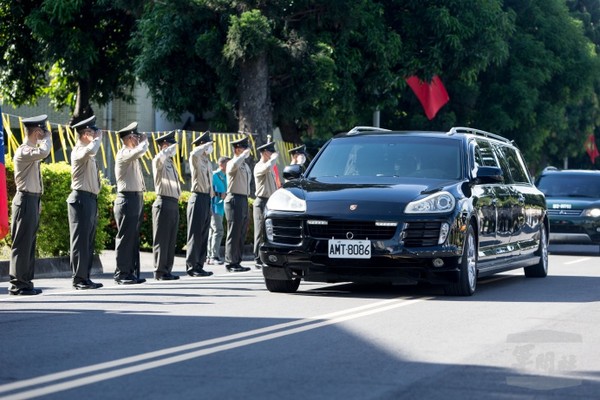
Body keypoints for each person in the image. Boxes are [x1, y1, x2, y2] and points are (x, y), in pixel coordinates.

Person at [8, 114, 52, 295]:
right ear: (36, 131)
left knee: (29, 242)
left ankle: (25, 282)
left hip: (32, 199)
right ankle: (17, 283)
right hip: (25, 199)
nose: (45, 133)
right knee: (22, 243)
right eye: (42, 130)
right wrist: (48, 139)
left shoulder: (31, 151)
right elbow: (44, 152)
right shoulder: (25, 150)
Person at [68, 115, 103, 290]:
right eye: (91, 131)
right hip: (81, 198)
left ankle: (85, 276)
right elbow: (92, 150)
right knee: (80, 240)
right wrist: (96, 140)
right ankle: (79, 278)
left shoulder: (88, 151)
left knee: (88, 240)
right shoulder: (80, 150)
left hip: (90, 198)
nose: (95, 134)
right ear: (84, 134)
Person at [113, 122, 148, 284]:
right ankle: (122, 273)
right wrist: (144, 141)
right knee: (125, 237)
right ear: (127, 139)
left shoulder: (132, 153)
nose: (137, 138)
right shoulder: (124, 153)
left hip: (135, 197)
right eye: (134, 136)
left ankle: (131, 272)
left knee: (133, 237)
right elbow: (140, 150)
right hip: (126, 198)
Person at [151, 130, 181, 280]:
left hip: (173, 202)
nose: (175, 149)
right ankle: (160, 270)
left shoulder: (170, 162)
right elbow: (158, 159)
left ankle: (167, 269)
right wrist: (165, 150)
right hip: (163, 201)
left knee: (170, 239)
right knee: (162, 239)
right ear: (165, 146)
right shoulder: (160, 160)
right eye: (172, 145)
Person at [185, 131, 214, 277]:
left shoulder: (207, 161)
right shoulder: (196, 158)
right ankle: (192, 265)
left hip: (206, 198)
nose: (210, 148)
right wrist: (203, 147)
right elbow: (193, 153)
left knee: (204, 233)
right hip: (197, 197)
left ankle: (199, 264)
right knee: (195, 234)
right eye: (208, 144)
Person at [224, 136, 252, 272]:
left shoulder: (245, 165)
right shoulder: (232, 162)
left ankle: (237, 260)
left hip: (243, 199)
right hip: (234, 198)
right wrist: (241, 157)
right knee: (234, 231)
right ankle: (230, 262)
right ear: (237, 149)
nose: (246, 151)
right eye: (243, 148)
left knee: (241, 232)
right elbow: (233, 167)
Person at [253, 141, 278, 269]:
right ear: (264, 153)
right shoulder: (259, 166)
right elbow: (267, 167)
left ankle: (266, 256)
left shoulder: (269, 167)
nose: (272, 154)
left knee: (269, 230)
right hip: (261, 201)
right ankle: (257, 257)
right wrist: (272, 160)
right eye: (270, 152)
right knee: (259, 231)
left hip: (270, 201)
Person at [207, 156, 230, 265]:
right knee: (218, 230)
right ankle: (214, 256)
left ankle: (209, 256)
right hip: (214, 206)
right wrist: (219, 194)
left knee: (213, 231)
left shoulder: (227, 176)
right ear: (221, 164)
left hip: (221, 208)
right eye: (227, 164)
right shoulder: (214, 175)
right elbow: (209, 190)